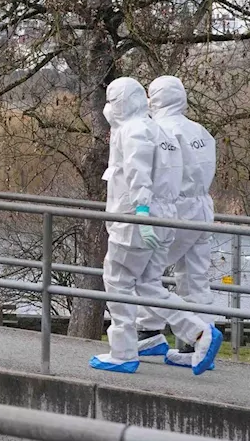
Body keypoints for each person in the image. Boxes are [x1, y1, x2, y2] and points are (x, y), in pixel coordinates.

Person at [90, 77, 222, 376]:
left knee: (120, 281)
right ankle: (199, 333)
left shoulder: (139, 130)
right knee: (160, 282)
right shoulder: (179, 131)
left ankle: (125, 350)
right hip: (179, 212)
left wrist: (142, 213)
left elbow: (138, 177)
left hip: (142, 217)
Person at [133, 76, 219, 369]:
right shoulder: (201, 131)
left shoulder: (157, 131)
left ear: (154, 98)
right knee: (195, 279)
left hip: (174, 210)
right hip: (203, 210)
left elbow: (156, 175)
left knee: (145, 274)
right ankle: (200, 345)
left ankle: (150, 333)